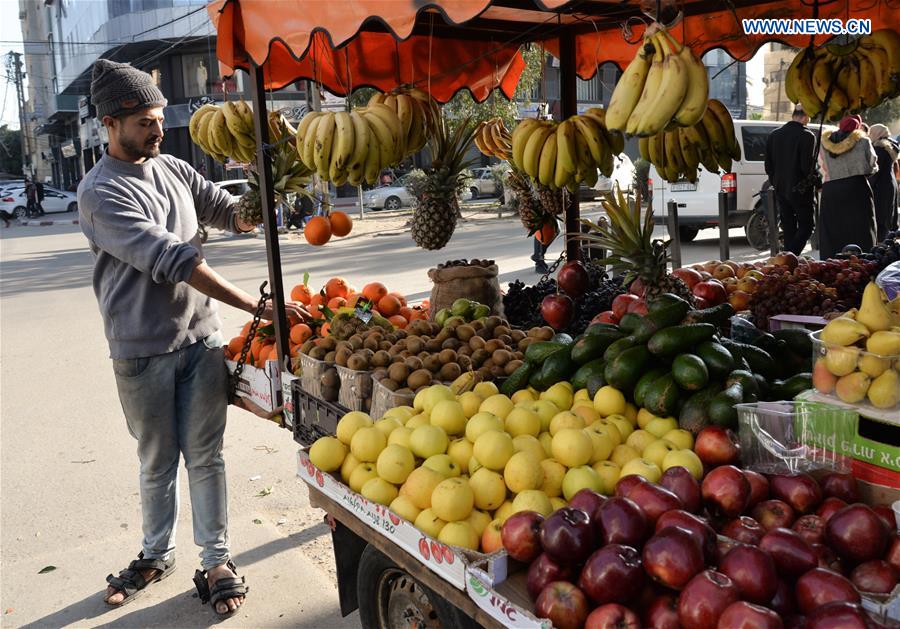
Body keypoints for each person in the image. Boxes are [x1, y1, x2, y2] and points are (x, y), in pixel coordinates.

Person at [77, 59, 308, 616]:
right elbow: (173, 259)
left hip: (202, 341)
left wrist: (265, 195)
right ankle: (157, 552)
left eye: (158, 119)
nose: (158, 131)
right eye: (143, 123)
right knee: (158, 461)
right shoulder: (100, 193)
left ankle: (216, 560)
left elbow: (228, 212)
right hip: (142, 351)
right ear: (110, 124)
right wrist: (256, 305)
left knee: (207, 456)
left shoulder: (175, 168)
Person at [817, 115, 878, 259]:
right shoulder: (863, 141)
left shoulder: (823, 143)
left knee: (832, 231)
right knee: (862, 230)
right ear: (858, 126)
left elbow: (819, 167)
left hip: (830, 190)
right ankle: (864, 265)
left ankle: (831, 266)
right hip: (856, 188)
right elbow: (871, 165)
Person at [764, 106, 817, 255]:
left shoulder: (774, 134)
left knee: (789, 227)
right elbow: (808, 167)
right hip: (800, 188)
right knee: (807, 226)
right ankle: (789, 256)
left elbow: (768, 165)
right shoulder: (807, 136)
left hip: (780, 188)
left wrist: (776, 181)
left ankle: (787, 261)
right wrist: (817, 183)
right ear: (806, 117)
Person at [868, 124, 899, 240]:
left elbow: (876, 171)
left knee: (881, 219)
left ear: (877, 133)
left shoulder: (879, 149)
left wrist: (867, 184)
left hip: (881, 186)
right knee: (888, 216)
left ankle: (882, 246)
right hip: (890, 183)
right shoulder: (889, 146)